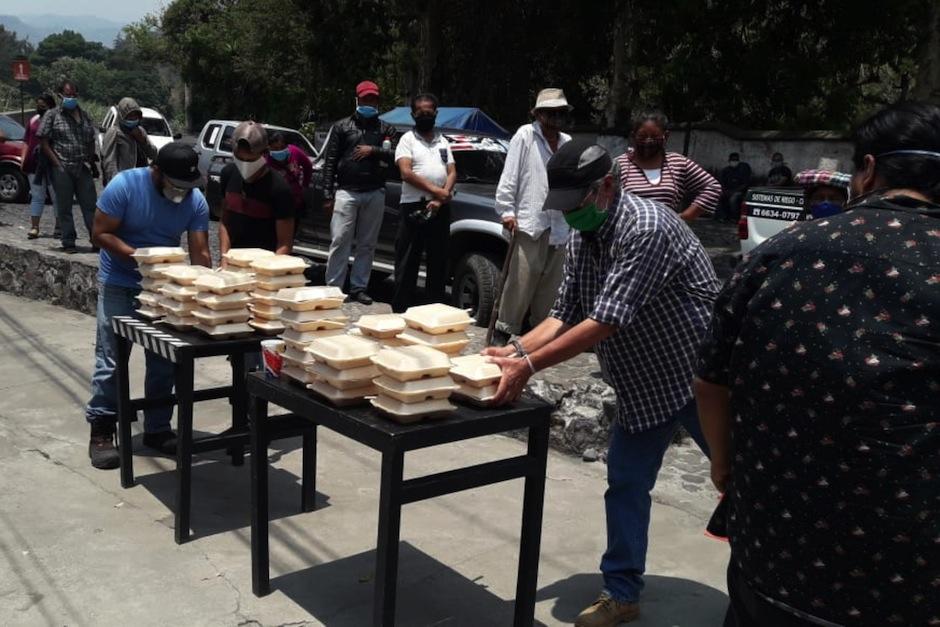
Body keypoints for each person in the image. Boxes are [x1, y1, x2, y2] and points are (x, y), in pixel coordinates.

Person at [694, 101, 940, 627]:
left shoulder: (777, 254)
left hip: (773, 565)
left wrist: (723, 464)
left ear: (868, 170)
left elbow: (711, 382)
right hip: (907, 585)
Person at [485, 139, 720, 626]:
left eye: (577, 205)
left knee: (743, 484)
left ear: (607, 187)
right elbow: (564, 314)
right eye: (564, 208)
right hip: (644, 384)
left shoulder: (646, 228)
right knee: (626, 485)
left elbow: (604, 321)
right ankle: (622, 592)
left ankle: (767, 591)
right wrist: (515, 350)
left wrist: (528, 368)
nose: (571, 217)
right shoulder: (583, 237)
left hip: (700, 379)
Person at [85, 143, 211, 469]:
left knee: (164, 360)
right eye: (175, 184)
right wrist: (141, 258)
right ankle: (101, 429)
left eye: (187, 186)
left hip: (163, 290)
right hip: (120, 283)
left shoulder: (195, 201)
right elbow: (100, 233)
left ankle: (157, 428)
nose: (180, 192)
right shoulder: (125, 186)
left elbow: (200, 252)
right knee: (112, 359)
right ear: (157, 172)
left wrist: (207, 293)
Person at [490, 88, 572, 346]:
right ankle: (503, 332)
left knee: (550, 285)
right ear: (538, 114)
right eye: (550, 112)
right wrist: (506, 210)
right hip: (529, 220)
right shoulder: (525, 135)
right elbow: (510, 175)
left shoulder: (567, 142)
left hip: (560, 223)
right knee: (520, 282)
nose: (555, 116)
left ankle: (537, 336)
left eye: (560, 112)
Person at [321, 80, 396, 304]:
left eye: (373, 99)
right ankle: (333, 287)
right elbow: (330, 161)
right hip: (347, 192)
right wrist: (327, 194)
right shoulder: (342, 126)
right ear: (357, 99)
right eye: (365, 99)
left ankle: (358, 287)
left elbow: (395, 157)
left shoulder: (386, 129)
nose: (369, 102)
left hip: (375, 192)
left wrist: (372, 150)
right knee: (340, 240)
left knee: (367, 243)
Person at [391, 93, 456, 313]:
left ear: (436, 114)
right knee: (408, 262)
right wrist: (437, 191)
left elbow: (452, 171)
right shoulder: (407, 140)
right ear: (413, 114)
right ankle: (400, 312)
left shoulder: (443, 141)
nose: (426, 116)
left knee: (438, 263)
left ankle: (432, 312)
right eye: (421, 113)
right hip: (414, 206)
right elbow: (406, 172)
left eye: (430, 113)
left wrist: (441, 197)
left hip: (439, 209)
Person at [612, 110, 721, 221]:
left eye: (654, 136)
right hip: (627, 235)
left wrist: (686, 217)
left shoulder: (677, 163)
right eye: (642, 136)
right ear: (633, 136)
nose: (648, 141)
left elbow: (712, 187)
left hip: (668, 235)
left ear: (666, 136)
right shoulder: (618, 165)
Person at [37, 80, 100, 253]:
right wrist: (57, 164)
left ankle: (96, 240)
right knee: (65, 207)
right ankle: (68, 241)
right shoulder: (52, 115)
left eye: (73, 95)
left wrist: (92, 160)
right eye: (67, 95)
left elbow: (91, 139)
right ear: (60, 96)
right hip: (62, 166)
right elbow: (43, 142)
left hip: (82, 166)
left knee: (90, 205)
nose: (71, 98)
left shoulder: (84, 115)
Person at [218, 121, 295, 259]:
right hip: (233, 264)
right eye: (240, 159)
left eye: (251, 160)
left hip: (264, 265)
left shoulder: (279, 188)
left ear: (264, 154)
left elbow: (285, 243)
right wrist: (224, 258)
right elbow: (225, 222)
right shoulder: (227, 174)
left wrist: (268, 270)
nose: (245, 164)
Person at [23, 94, 57, 239]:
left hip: (52, 164)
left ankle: (59, 226)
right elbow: (26, 141)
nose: (40, 109)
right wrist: (23, 159)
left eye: (43, 106)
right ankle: (35, 227)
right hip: (34, 165)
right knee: (37, 196)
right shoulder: (33, 120)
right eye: (38, 105)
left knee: (57, 197)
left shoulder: (57, 122)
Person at [100, 97, 157, 185]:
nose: (133, 118)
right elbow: (110, 162)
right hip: (123, 182)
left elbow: (153, 154)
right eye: (130, 116)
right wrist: (116, 184)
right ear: (122, 116)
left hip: (141, 180)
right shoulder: (114, 132)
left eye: (135, 115)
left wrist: (142, 141)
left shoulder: (140, 131)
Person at [265, 131, 312, 220]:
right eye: (275, 148)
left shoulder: (294, 151)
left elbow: (308, 165)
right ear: (269, 148)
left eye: (282, 147)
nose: (279, 151)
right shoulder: (266, 161)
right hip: (275, 206)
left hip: (295, 204)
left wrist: (305, 185)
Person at [717, 152, 752, 222]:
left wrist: (734, 191)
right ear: (729, 161)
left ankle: (735, 218)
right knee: (718, 196)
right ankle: (723, 217)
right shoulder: (726, 171)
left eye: (736, 160)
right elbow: (722, 183)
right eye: (732, 160)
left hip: (740, 192)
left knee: (733, 199)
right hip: (728, 191)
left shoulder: (743, 169)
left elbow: (745, 184)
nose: (734, 161)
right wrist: (724, 191)